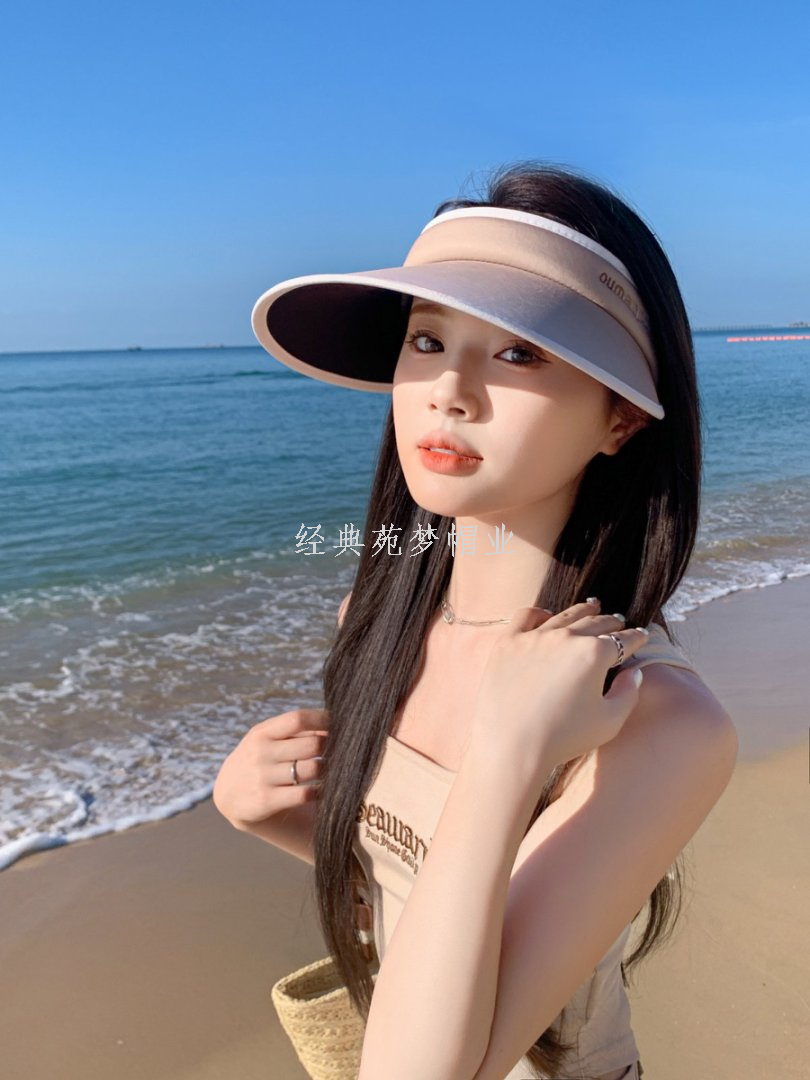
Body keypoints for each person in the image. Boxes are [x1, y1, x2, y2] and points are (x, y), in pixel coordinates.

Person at [213, 161, 738, 1080]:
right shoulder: (375, 619)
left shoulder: (653, 720)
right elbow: (411, 896)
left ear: (620, 418)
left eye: (520, 353)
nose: (449, 388)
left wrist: (510, 752)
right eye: (427, 340)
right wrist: (282, 820)